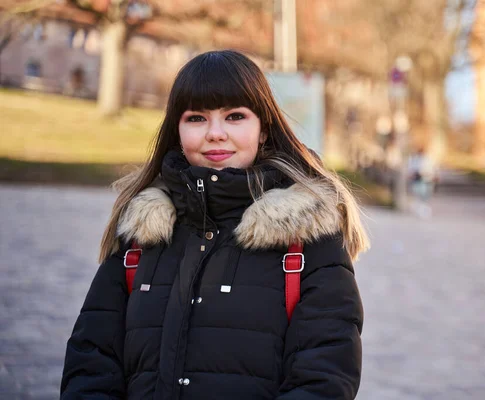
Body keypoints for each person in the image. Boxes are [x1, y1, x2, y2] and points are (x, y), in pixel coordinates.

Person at [60, 50, 370, 400]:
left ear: (263, 129)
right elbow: (90, 364)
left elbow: (324, 378)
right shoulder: (140, 235)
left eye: (235, 116)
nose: (216, 133)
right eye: (197, 118)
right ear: (177, 131)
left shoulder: (309, 240)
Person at [407, 147, 438, 219]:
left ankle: (423, 209)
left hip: (427, 179)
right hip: (418, 179)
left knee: (425, 195)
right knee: (419, 194)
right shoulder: (414, 159)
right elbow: (411, 169)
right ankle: (420, 209)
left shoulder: (429, 159)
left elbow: (433, 168)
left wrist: (434, 175)